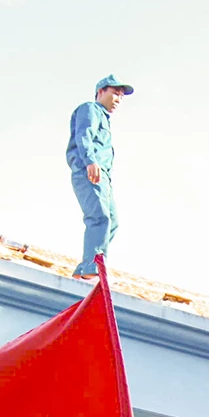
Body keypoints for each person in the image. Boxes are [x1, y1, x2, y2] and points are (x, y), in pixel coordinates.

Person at [67, 74, 133, 280]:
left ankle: (84, 268)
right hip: (90, 170)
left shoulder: (105, 118)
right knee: (99, 217)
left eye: (121, 96)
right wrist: (90, 162)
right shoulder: (90, 109)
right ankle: (91, 267)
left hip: (103, 176)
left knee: (112, 221)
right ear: (101, 91)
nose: (118, 100)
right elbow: (84, 135)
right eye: (115, 93)